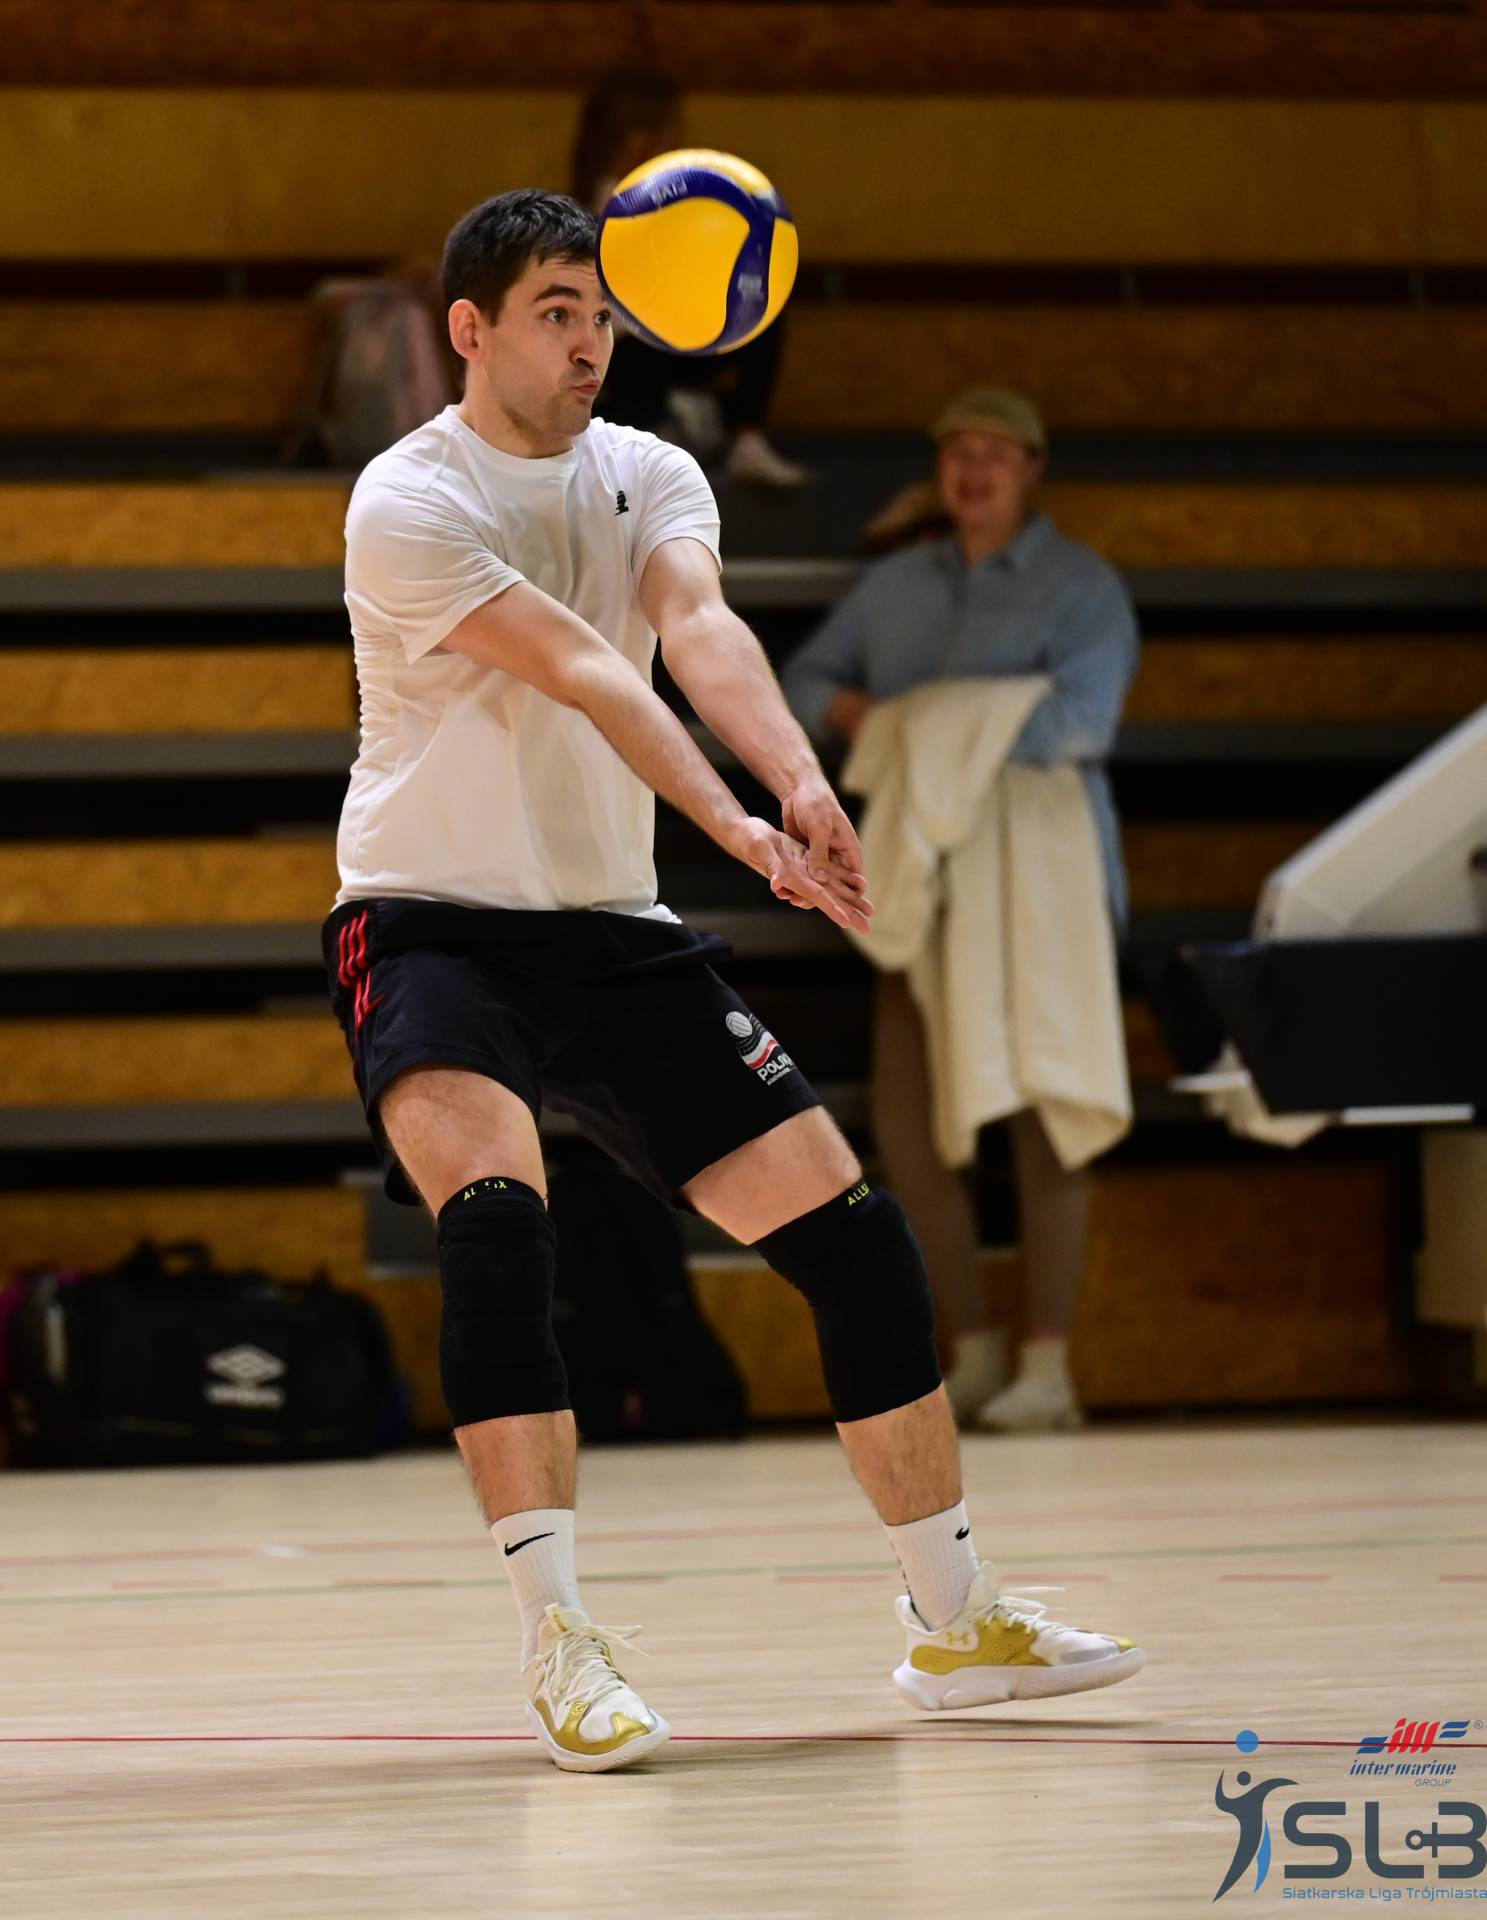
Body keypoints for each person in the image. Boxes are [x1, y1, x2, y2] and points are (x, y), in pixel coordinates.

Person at [325, 199, 1143, 1773]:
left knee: (856, 1240)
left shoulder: (650, 469)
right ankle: (559, 1641)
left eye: (602, 316)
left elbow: (692, 627)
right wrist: (740, 831)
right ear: (469, 330)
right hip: (431, 923)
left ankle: (952, 1617)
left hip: (608, 929)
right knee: (497, 1226)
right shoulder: (408, 498)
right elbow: (581, 668)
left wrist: (800, 781)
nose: (589, 343)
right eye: (556, 312)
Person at [782, 387, 1140, 1432]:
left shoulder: (1082, 588)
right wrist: (874, 718)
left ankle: (1049, 1365)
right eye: (958, 453)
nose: (974, 471)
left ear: (1031, 469)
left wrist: (925, 727)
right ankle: (974, 1349)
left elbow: (1080, 724)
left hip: (1040, 888)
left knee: (1046, 1107)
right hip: (919, 882)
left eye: (996, 453)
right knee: (910, 1124)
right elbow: (802, 681)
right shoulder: (894, 587)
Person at [570, 63, 810, 489]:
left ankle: (715, 426)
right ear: (643, 145)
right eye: (672, 141)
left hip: (639, 354)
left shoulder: (589, 205)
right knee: (755, 289)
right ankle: (739, 433)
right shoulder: (631, 208)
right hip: (628, 358)